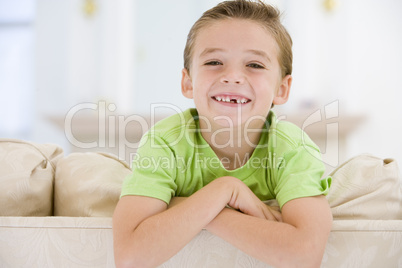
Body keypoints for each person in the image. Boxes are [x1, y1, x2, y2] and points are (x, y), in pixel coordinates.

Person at [113, 0, 332, 267]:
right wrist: (226, 189)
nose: (232, 77)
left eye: (255, 65)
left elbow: (304, 255)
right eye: (214, 61)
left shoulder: (293, 148)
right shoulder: (166, 142)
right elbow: (130, 256)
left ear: (282, 89)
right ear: (188, 82)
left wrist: (208, 210)